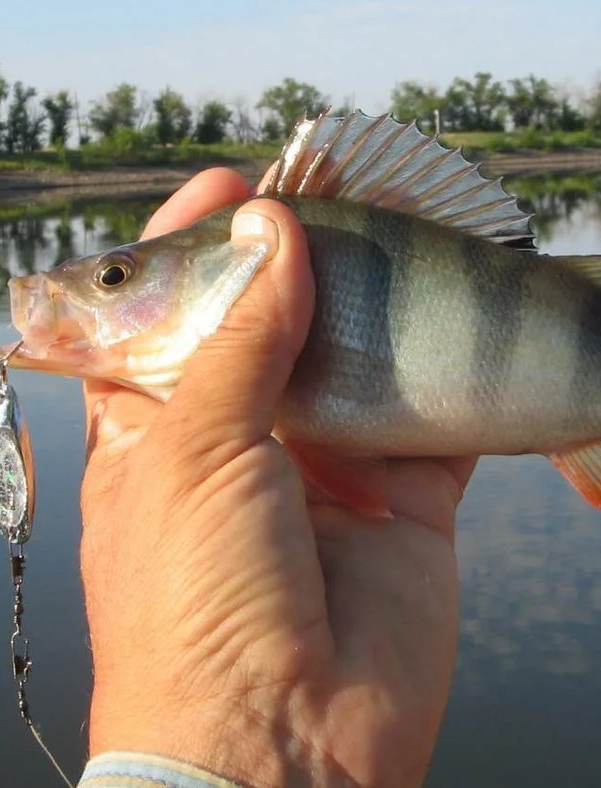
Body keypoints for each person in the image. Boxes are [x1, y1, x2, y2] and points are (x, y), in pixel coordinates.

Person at [76, 167, 477, 787]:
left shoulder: (254, 269)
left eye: (114, 278)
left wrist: (218, 742)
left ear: (249, 279)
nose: (84, 290)